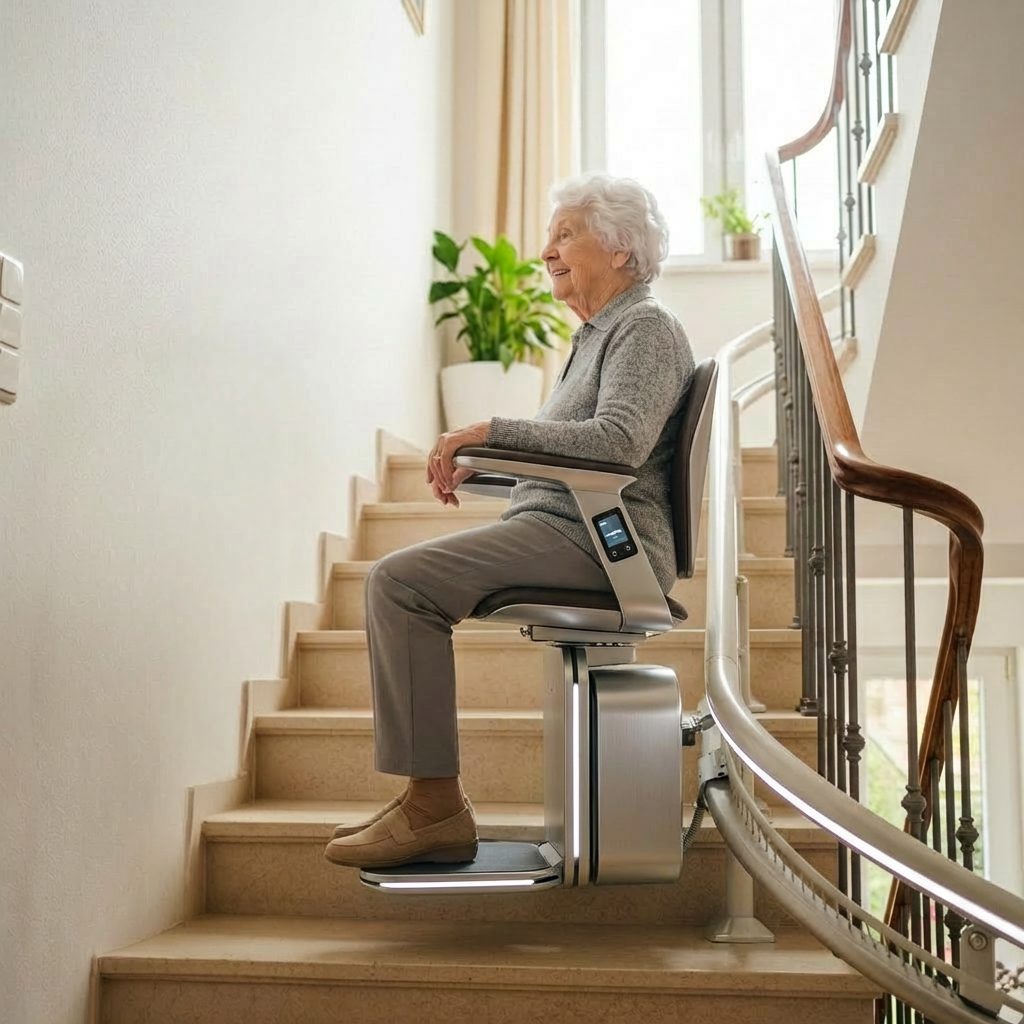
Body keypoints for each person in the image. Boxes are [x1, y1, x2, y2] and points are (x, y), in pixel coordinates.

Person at [324, 173, 695, 869]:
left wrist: (492, 428)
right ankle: (427, 800)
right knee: (401, 582)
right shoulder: (597, 336)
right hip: (565, 528)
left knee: (401, 583)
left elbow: (618, 444)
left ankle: (433, 806)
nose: (545, 250)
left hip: (603, 544)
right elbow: (576, 452)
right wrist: (490, 463)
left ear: (620, 251)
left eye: (566, 234)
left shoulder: (646, 328)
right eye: (551, 235)